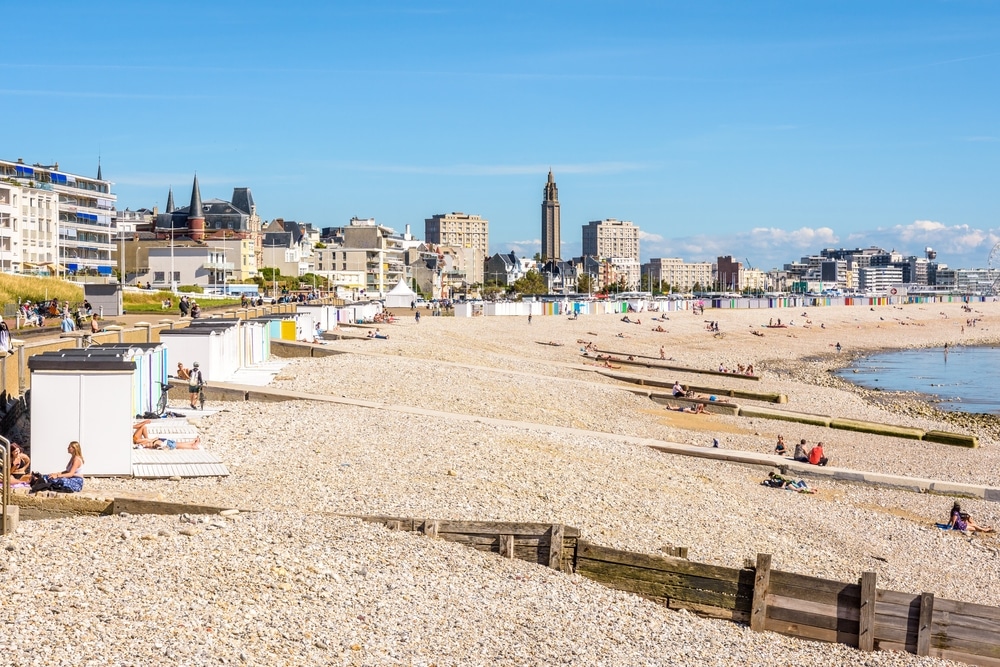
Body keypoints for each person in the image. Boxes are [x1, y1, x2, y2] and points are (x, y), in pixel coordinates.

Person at [132, 420, 200, 450]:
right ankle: (192, 446)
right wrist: (152, 440)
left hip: (158, 441)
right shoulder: (139, 441)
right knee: (176, 445)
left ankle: (191, 443)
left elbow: (138, 427)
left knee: (176, 443)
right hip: (159, 442)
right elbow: (134, 427)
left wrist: (144, 422)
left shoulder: (140, 440)